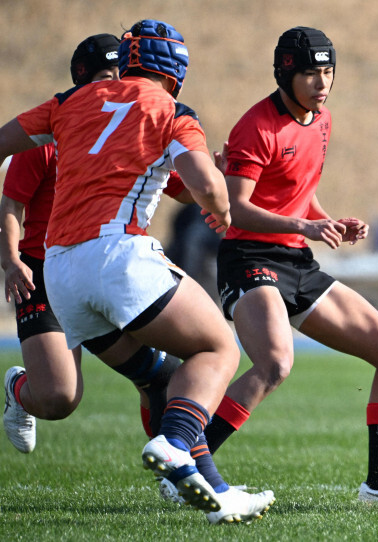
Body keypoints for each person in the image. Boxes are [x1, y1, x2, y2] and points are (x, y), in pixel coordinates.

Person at [0, 20, 274, 524]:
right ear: (176, 73)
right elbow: (207, 192)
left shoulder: (67, 103)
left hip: (60, 272)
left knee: (160, 376)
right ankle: (174, 443)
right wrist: (221, 202)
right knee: (218, 348)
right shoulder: (171, 110)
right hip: (115, 258)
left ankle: (213, 493)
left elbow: (2, 141)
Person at [208, 26, 378, 505]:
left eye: (328, 71)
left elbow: (299, 188)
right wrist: (305, 224)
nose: (322, 82)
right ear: (286, 72)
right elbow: (238, 207)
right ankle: (189, 466)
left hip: (296, 259)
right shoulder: (255, 126)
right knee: (275, 363)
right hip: (250, 257)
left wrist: (324, 220)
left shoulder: (322, 120)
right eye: (312, 73)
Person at [1, 33, 189, 456]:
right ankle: (20, 387)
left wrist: (209, 177)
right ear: (82, 80)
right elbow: (11, 203)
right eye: (106, 77)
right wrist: (11, 260)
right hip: (42, 274)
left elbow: (181, 186)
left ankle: (174, 465)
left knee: (158, 374)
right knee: (58, 398)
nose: (115, 86)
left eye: (120, 76)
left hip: (110, 264)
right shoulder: (48, 133)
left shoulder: (135, 126)